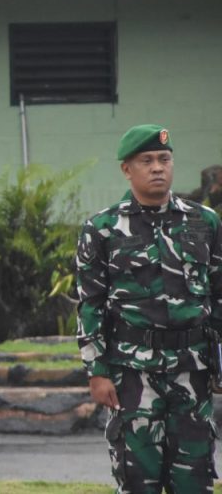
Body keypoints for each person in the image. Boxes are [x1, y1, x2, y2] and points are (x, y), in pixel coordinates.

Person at [75, 125, 222, 493]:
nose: (157, 167)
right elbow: (90, 304)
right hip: (132, 374)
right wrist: (97, 370)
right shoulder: (103, 229)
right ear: (127, 169)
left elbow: (218, 296)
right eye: (147, 161)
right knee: (138, 479)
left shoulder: (204, 222)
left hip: (193, 370)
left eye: (164, 159)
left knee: (194, 478)